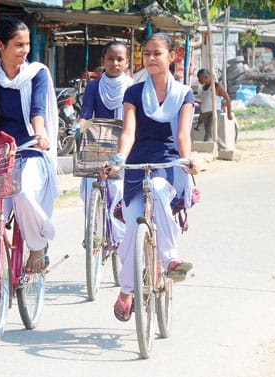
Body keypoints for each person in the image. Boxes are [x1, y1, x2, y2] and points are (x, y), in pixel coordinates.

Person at [103, 33, 199, 322]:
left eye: (157, 53)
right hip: (137, 163)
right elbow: (128, 132)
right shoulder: (133, 92)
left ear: (172, 57)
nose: (151, 58)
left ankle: (169, 258)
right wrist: (119, 161)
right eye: (146, 54)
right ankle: (128, 289)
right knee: (133, 226)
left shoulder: (184, 94)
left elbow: (183, 135)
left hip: (169, 163)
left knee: (157, 189)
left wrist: (189, 159)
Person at [0, 18, 58, 273]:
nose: (25, 51)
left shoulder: (37, 74)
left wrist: (40, 134)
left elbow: (38, 111)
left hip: (30, 149)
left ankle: (36, 246)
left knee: (21, 192)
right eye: (18, 45)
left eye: (27, 45)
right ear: (0, 45)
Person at [78, 40, 133, 248]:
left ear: (127, 62)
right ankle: (94, 230)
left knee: (117, 189)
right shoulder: (93, 87)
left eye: (120, 59)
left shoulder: (133, 88)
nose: (115, 63)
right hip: (99, 145)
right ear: (103, 61)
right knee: (87, 189)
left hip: (124, 147)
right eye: (110, 58)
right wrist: (79, 127)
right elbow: (86, 114)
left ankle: (119, 239)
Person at [196, 68, 233, 142]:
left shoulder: (216, 86)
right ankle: (222, 149)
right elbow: (204, 103)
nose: (199, 81)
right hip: (205, 114)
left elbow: (227, 99)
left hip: (214, 112)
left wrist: (229, 113)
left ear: (206, 77)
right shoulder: (203, 89)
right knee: (211, 133)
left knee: (209, 133)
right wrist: (201, 116)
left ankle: (208, 149)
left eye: (200, 78)